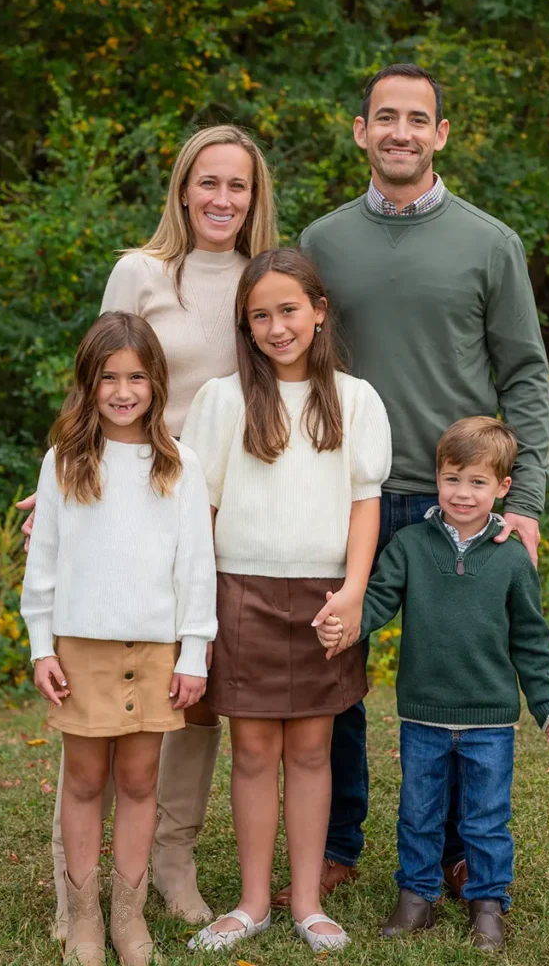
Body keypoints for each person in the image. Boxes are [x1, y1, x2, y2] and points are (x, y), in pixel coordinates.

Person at [284, 62, 549, 907]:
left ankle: (454, 853)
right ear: (360, 131)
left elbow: (524, 377)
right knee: (338, 678)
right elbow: (285, 358)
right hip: (350, 494)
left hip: (457, 504)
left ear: (440, 134)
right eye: (384, 117)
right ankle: (339, 839)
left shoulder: (488, 242)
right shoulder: (322, 244)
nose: (400, 131)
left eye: (418, 119)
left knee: (459, 682)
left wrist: (528, 502)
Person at [17, 124, 278, 935]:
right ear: (182, 187)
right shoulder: (141, 271)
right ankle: (76, 894)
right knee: (98, 700)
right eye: (208, 182)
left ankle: (170, 860)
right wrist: (56, 488)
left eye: (237, 185)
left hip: (222, 507)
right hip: (128, 498)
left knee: (191, 693)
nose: (222, 200)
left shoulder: (259, 282)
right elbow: (98, 374)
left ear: (254, 196)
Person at [180, 248, 391, 952]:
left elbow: (366, 505)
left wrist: (354, 594)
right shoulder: (221, 400)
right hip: (239, 590)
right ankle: (250, 902)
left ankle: (304, 902)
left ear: (319, 311)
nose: (276, 327)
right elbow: (200, 513)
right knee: (251, 751)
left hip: (325, 595)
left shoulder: (356, 398)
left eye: (289, 310)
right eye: (260, 315)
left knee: (311, 749)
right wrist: (198, 613)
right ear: (245, 325)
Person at [317, 416, 549, 952]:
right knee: (418, 813)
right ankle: (417, 898)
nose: (462, 492)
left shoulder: (509, 557)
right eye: (452, 478)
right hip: (424, 715)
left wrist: (548, 706)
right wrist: (348, 625)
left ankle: (486, 903)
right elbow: (379, 600)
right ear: (436, 477)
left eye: (478, 482)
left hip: (490, 721)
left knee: (485, 818)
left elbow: (531, 638)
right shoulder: (410, 544)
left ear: (503, 487)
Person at [21, 311, 218, 966]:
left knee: (139, 784)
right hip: (82, 648)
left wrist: (194, 652)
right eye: (110, 378)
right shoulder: (65, 462)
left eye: (137, 377)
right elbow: (42, 562)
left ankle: (128, 920)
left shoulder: (178, 464)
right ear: (89, 383)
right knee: (82, 781)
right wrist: (41, 645)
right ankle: (81, 918)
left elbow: (196, 568)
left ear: (156, 383)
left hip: (155, 650)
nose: (124, 391)